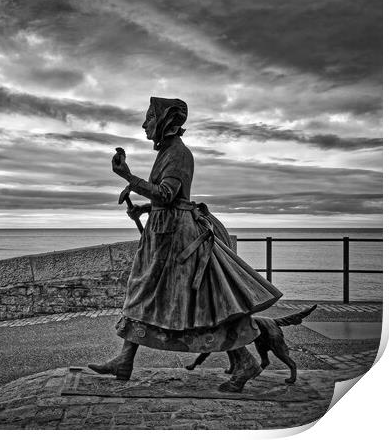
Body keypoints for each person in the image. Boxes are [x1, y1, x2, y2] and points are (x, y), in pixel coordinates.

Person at [88, 97, 283, 392]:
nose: (144, 124)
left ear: (165, 121)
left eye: (149, 117)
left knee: (202, 303)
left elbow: (166, 194)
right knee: (146, 294)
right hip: (164, 234)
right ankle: (124, 360)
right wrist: (144, 209)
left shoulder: (178, 153)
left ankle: (245, 362)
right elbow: (169, 199)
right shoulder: (167, 152)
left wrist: (128, 177)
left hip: (177, 242)